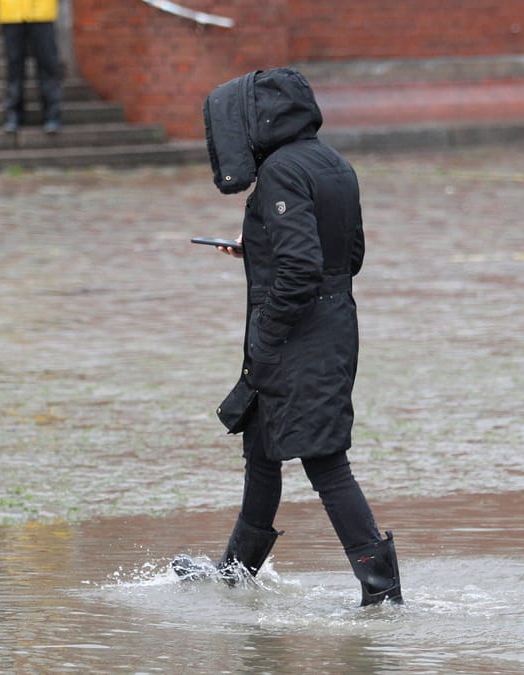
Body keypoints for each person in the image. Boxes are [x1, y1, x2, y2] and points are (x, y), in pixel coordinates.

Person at [171, 68, 403, 607]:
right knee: (264, 448)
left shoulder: (279, 171)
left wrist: (268, 333)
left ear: (260, 119)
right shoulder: (333, 162)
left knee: (324, 460)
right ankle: (236, 571)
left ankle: (382, 589)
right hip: (331, 323)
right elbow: (348, 258)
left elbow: (300, 268)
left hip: (300, 335)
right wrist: (256, 245)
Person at [0, 0, 64, 134]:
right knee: (14, 65)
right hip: (12, 11)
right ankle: (13, 114)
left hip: (42, 10)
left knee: (47, 63)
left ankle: (52, 114)